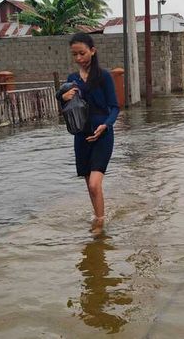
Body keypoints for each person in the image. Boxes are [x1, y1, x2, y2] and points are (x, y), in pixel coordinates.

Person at [57, 33, 120, 236]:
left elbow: (115, 108)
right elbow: (68, 108)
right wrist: (62, 98)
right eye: (74, 54)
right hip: (81, 137)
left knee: (94, 183)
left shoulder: (104, 76)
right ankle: (98, 214)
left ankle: (100, 224)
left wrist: (106, 125)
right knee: (90, 186)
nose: (78, 58)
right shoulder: (72, 79)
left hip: (102, 135)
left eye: (82, 53)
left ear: (93, 51)